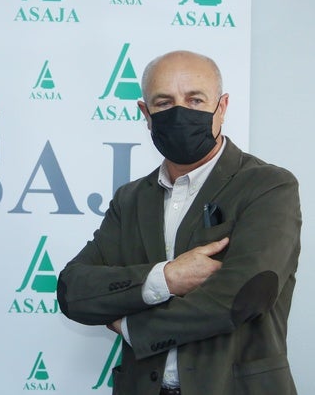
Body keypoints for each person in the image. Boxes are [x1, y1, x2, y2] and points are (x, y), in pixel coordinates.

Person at [56, 50, 301, 395]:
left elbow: (244, 295)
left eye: (195, 99)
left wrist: (133, 328)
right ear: (146, 113)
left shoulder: (268, 186)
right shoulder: (131, 199)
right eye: (164, 102)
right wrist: (166, 278)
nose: (180, 112)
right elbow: (73, 291)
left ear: (223, 107)